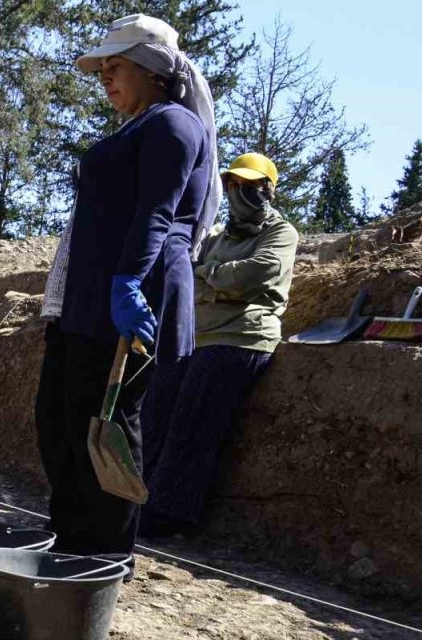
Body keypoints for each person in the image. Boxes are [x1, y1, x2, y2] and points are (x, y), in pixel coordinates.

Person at [35, 14, 219, 559]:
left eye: (115, 66)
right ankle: (70, 538)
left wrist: (129, 284)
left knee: (107, 423)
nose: (104, 78)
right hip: (87, 300)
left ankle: (106, 555)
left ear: (152, 68)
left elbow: (157, 213)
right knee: (59, 419)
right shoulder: (138, 126)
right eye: (100, 70)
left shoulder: (173, 125)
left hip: (128, 297)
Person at [140, 152, 298, 537]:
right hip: (198, 336)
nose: (237, 192)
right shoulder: (216, 236)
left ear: (267, 190)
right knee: (155, 409)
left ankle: (169, 514)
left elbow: (255, 273)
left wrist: (208, 276)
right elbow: (189, 277)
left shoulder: (281, 233)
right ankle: (133, 499)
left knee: (191, 420)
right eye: (232, 185)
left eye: (247, 186)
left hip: (243, 338)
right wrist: (216, 282)